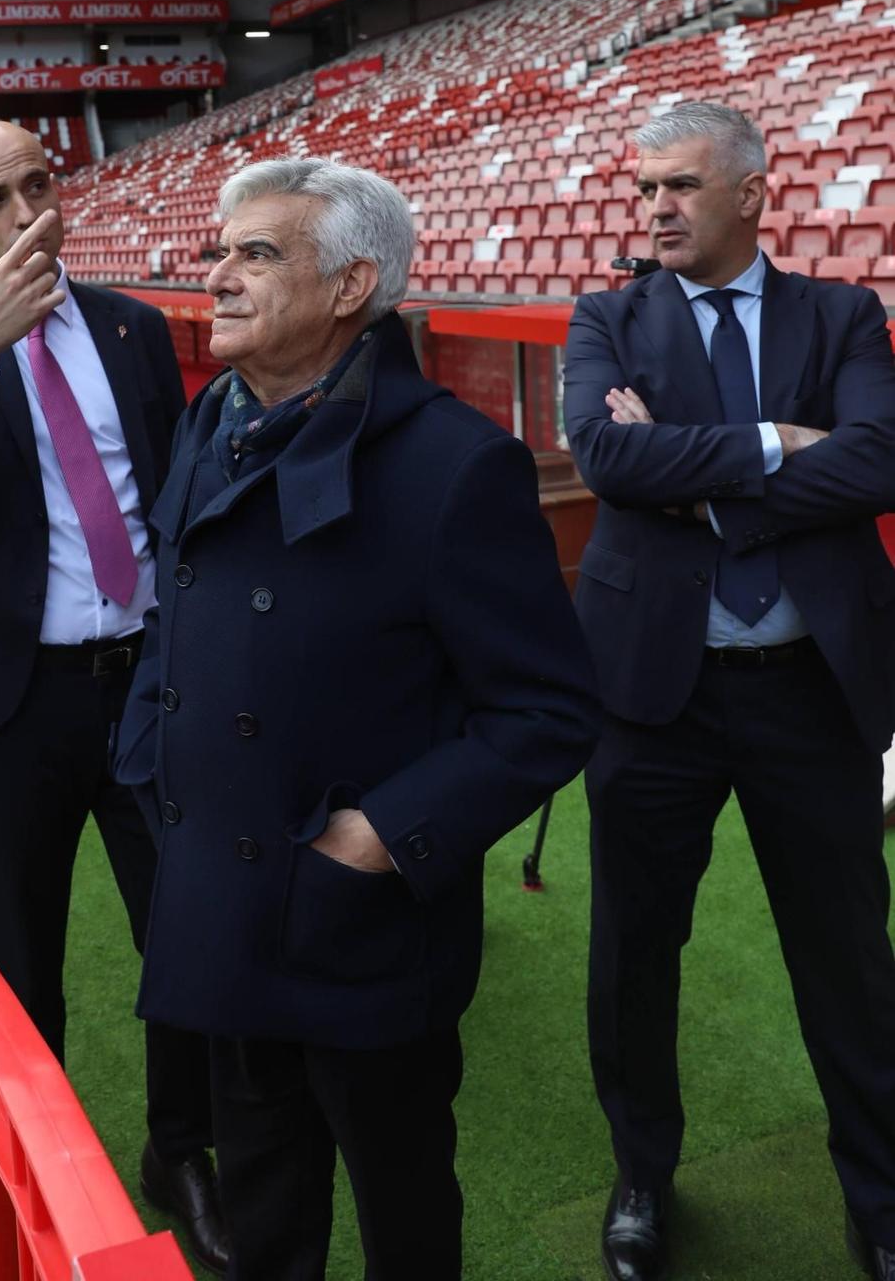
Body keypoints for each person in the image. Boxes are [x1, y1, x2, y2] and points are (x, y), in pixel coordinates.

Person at [115, 157, 601, 1281]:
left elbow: (546, 709)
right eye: (220, 249)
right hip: (225, 899)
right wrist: (144, 746)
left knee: (401, 1204)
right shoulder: (212, 416)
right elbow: (177, 609)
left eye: (257, 253)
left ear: (351, 287)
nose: (218, 275)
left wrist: (378, 838)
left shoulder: (454, 463)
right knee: (263, 1201)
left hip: (358, 924)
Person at [0, 119, 229, 1274]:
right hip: (6, 705)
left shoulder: (129, 324)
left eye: (40, 182)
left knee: (179, 932)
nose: (28, 208)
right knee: (21, 956)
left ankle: (181, 1147)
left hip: (144, 689)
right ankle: (40, 1165)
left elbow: (176, 498)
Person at [563, 101, 895, 1281]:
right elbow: (605, 456)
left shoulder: (844, 311)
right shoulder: (603, 313)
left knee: (849, 957)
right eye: (644, 185)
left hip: (811, 690)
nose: (654, 204)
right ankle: (641, 1174)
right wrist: (775, 443)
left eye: (682, 185)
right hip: (654, 694)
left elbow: (881, 455)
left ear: (753, 192)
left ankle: (880, 1189)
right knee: (635, 953)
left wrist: (690, 473)